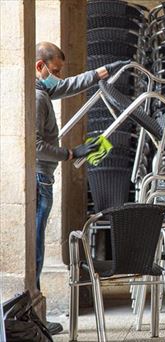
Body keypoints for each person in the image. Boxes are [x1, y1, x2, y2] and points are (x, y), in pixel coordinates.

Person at [34, 41, 129, 335]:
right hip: (39, 181)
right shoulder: (36, 98)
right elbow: (36, 146)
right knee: (35, 252)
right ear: (40, 66)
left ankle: (33, 316)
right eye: (55, 70)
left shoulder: (42, 90)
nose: (58, 76)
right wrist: (71, 153)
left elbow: (68, 86)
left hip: (42, 180)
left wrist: (103, 72)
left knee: (35, 249)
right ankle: (33, 318)